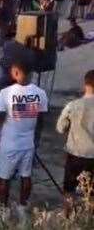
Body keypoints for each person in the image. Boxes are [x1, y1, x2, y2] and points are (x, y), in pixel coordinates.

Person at [0, 61, 48, 218]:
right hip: (28, 143)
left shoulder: (5, 92)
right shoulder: (40, 93)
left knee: (4, 177)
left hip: (9, 143)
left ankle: (4, 210)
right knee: (26, 176)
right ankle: (22, 208)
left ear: (16, 72)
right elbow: (41, 120)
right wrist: (35, 139)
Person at [56, 70, 94, 203]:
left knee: (69, 192)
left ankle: (68, 221)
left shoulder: (72, 106)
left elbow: (60, 128)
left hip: (75, 156)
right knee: (91, 193)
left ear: (85, 85)